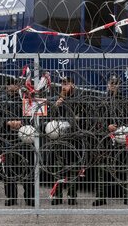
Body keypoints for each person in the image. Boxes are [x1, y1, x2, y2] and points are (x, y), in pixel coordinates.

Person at [92, 75, 128, 207]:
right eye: (111, 83)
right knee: (102, 169)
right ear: (107, 85)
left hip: (122, 138)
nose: (113, 85)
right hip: (106, 139)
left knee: (125, 169)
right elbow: (95, 119)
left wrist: (122, 128)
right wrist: (107, 126)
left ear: (119, 85)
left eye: (116, 83)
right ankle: (100, 197)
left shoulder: (125, 101)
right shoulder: (102, 101)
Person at [1, 78, 35, 207]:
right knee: (9, 169)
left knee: (29, 168)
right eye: (8, 84)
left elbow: (32, 117)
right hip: (8, 138)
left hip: (26, 137)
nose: (11, 87)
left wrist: (22, 123)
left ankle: (30, 197)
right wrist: (7, 122)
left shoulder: (26, 98)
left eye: (14, 84)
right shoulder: (2, 100)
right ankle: (11, 197)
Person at [47, 76, 80, 205]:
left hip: (73, 140)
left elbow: (82, 119)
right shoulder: (55, 99)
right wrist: (56, 106)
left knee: (73, 168)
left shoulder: (78, 100)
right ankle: (57, 196)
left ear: (73, 85)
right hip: (59, 140)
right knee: (58, 168)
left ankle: (72, 196)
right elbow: (48, 118)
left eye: (67, 83)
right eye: (63, 84)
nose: (64, 86)